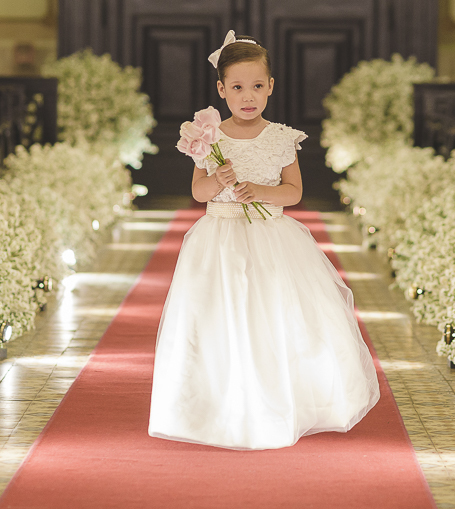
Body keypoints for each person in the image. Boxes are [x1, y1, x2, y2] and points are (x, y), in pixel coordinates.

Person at [148, 31, 380, 450]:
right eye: (237, 87)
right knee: (220, 315)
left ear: (271, 86)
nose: (248, 96)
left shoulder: (281, 137)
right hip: (219, 239)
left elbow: (294, 192)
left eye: (257, 86)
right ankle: (221, 401)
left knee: (272, 314)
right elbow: (198, 192)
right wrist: (218, 180)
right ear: (221, 90)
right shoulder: (209, 138)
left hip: (270, 237)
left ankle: (278, 397)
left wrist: (260, 191)